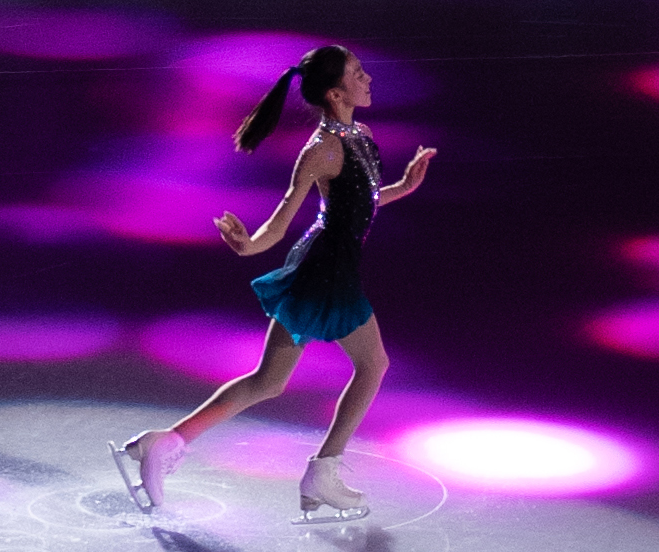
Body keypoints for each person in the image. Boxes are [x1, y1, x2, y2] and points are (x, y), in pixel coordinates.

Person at [111, 45, 436, 523]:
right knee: (373, 365)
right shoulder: (321, 150)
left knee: (269, 381)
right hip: (327, 272)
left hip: (328, 265)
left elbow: (357, 204)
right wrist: (248, 246)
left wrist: (403, 188)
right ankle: (323, 471)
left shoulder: (361, 135)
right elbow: (283, 217)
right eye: (358, 74)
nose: (368, 79)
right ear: (335, 93)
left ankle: (166, 442)